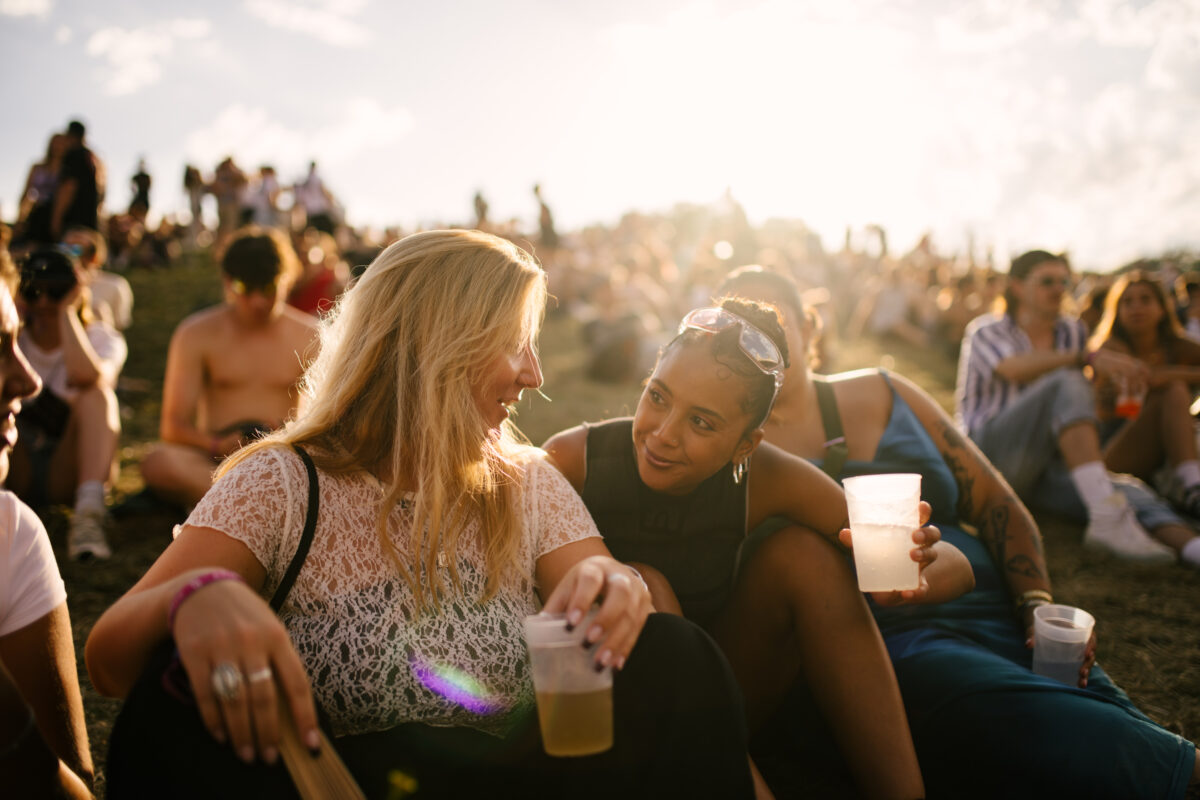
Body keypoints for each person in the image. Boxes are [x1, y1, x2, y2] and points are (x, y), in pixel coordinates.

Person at [86, 229, 756, 798]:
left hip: (517, 783)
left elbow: (602, 584)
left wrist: (619, 587)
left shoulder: (526, 483)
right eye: (515, 344)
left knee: (673, 655)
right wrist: (195, 596)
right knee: (173, 694)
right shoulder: (285, 482)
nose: (535, 375)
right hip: (334, 787)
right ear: (437, 347)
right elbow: (112, 661)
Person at [721, 264, 1200, 799]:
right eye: (734, 325)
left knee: (1094, 704)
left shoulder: (885, 391)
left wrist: (1034, 605)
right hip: (891, 637)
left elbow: (997, 502)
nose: (754, 338)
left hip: (996, 606)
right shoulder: (732, 442)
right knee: (1071, 731)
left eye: (771, 318)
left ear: (811, 326)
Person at [544, 298, 972, 799]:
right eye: (658, 397)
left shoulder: (769, 477)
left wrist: (915, 568)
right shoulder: (574, 458)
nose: (663, 434)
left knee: (804, 557)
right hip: (601, 707)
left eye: (701, 423)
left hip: (727, 693)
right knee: (644, 581)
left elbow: (957, 567)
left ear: (745, 445)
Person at [955, 250, 1177, 563]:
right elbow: (1012, 368)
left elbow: (1076, 413)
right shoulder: (986, 330)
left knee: (1129, 491)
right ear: (1017, 287)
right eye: (1047, 281)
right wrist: (1084, 359)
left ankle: (1189, 548)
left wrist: (1109, 397)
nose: (1059, 289)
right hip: (989, 461)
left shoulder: (1073, 332)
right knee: (1067, 379)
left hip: (1044, 465)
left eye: (1064, 281)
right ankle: (1107, 519)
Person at [0, 251, 95, 796]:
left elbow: (76, 786)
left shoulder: (10, 535)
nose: (28, 379)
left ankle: (89, 512)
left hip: (46, 469)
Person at [139, 228, 319, 509]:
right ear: (227, 282)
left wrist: (287, 436)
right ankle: (258, 508)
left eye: (269, 289)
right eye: (245, 289)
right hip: (214, 462)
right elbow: (172, 427)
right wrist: (216, 445)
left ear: (289, 280)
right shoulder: (196, 333)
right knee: (158, 462)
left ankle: (228, 506)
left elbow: (331, 422)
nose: (258, 301)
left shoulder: (311, 335)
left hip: (286, 460)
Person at [7, 247, 125, 561]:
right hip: (15, 465)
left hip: (69, 466)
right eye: (34, 291)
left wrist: (67, 312)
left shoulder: (101, 337)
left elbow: (85, 375)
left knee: (97, 394)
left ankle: (88, 517)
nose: (44, 301)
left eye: (55, 291)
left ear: (74, 291)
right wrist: (12, 313)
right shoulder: (13, 340)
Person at [1089, 271, 1200, 566]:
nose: (1136, 307)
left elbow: (1155, 377)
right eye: (1127, 302)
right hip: (1113, 451)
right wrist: (1169, 380)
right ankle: (1192, 488)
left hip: (1158, 449)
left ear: (1163, 308)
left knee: (1174, 390)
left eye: (1145, 299)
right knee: (1174, 392)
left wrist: (1166, 374)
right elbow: (1123, 406)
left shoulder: (1176, 345)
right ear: (1116, 310)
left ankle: (1189, 486)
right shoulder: (1109, 348)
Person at [63, 226, 133, 331]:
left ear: (94, 256)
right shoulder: (51, 284)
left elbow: (119, 328)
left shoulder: (115, 285)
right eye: (63, 248)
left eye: (76, 250)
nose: (69, 256)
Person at [48, 120, 104, 241]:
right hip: (90, 220)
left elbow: (68, 187)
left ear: (70, 135)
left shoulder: (73, 155)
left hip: (73, 221)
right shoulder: (91, 157)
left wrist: (56, 219)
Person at [14, 132, 68, 246]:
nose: (58, 147)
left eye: (61, 144)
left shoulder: (67, 170)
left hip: (56, 213)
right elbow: (26, 193)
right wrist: (20, 217)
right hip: (37, 212)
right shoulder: (37, 167)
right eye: (55, 143)